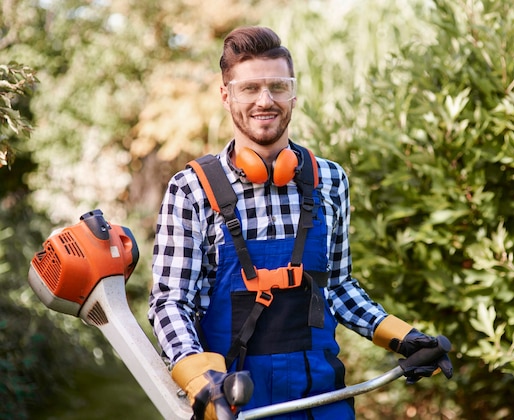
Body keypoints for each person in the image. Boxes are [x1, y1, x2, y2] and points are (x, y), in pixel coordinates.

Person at [148, 26, 453, 420]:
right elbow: (171, 303)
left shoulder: (329, 180)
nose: (265, 100)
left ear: (293, 92)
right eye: (249, 88)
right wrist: (201, 382)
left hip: (322, 403)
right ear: (226, 95)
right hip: (233, 407)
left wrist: (404, 337)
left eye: (277, 86)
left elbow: (338, 288)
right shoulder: (190, 189)